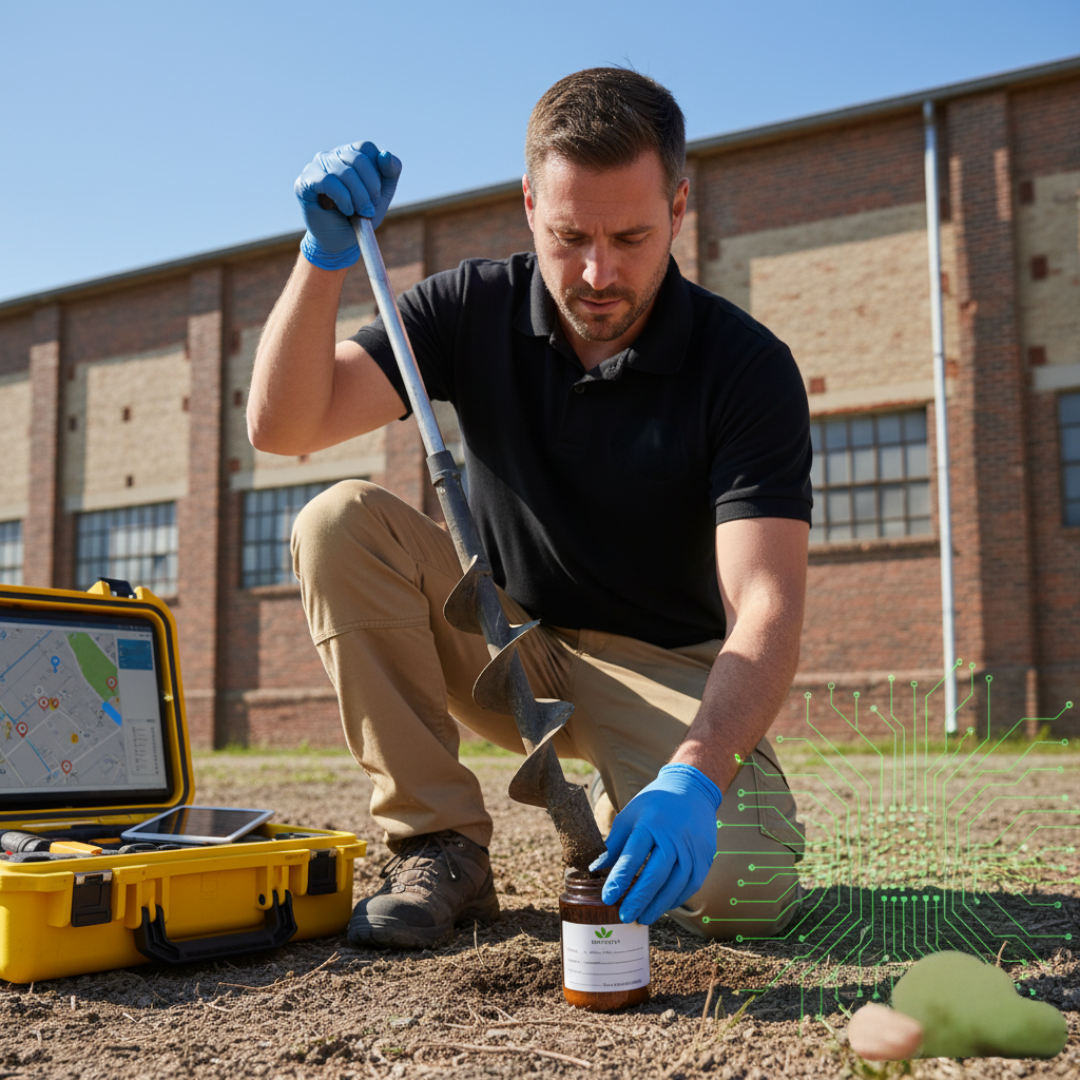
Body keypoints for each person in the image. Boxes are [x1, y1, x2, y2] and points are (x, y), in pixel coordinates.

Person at [248, 68, 811, 949]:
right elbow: (285, 427)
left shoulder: (745, 369)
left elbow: (766, 605)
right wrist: (320, 260)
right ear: (527, 206)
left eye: (630, 236)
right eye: (569, 236)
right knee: (337, 521)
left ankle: (642, 798)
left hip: (666, 669)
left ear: (678, 207)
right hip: (506, 644)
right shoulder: (468, 307)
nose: (598, 273)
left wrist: (695, 779)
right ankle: (438, 843)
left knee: (742, 890)